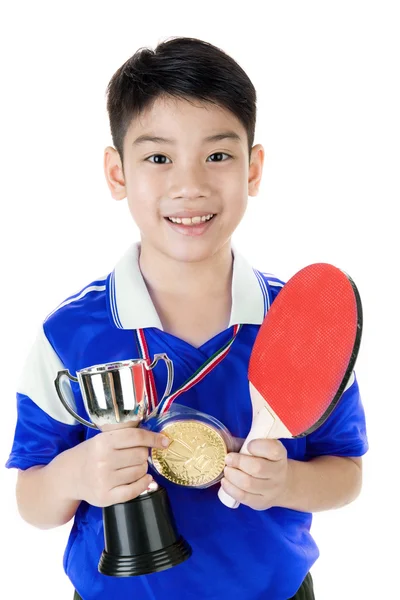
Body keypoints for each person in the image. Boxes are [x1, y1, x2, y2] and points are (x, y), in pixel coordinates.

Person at [5, 37, 368, 600]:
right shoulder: (68, 335)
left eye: (218, 155)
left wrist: (286, 482)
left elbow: (346, 473)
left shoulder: (304, 321)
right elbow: (33, 501)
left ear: (254, 168)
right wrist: (77, 476)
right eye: (157, 157)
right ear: (116, 172)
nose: (189, 185)